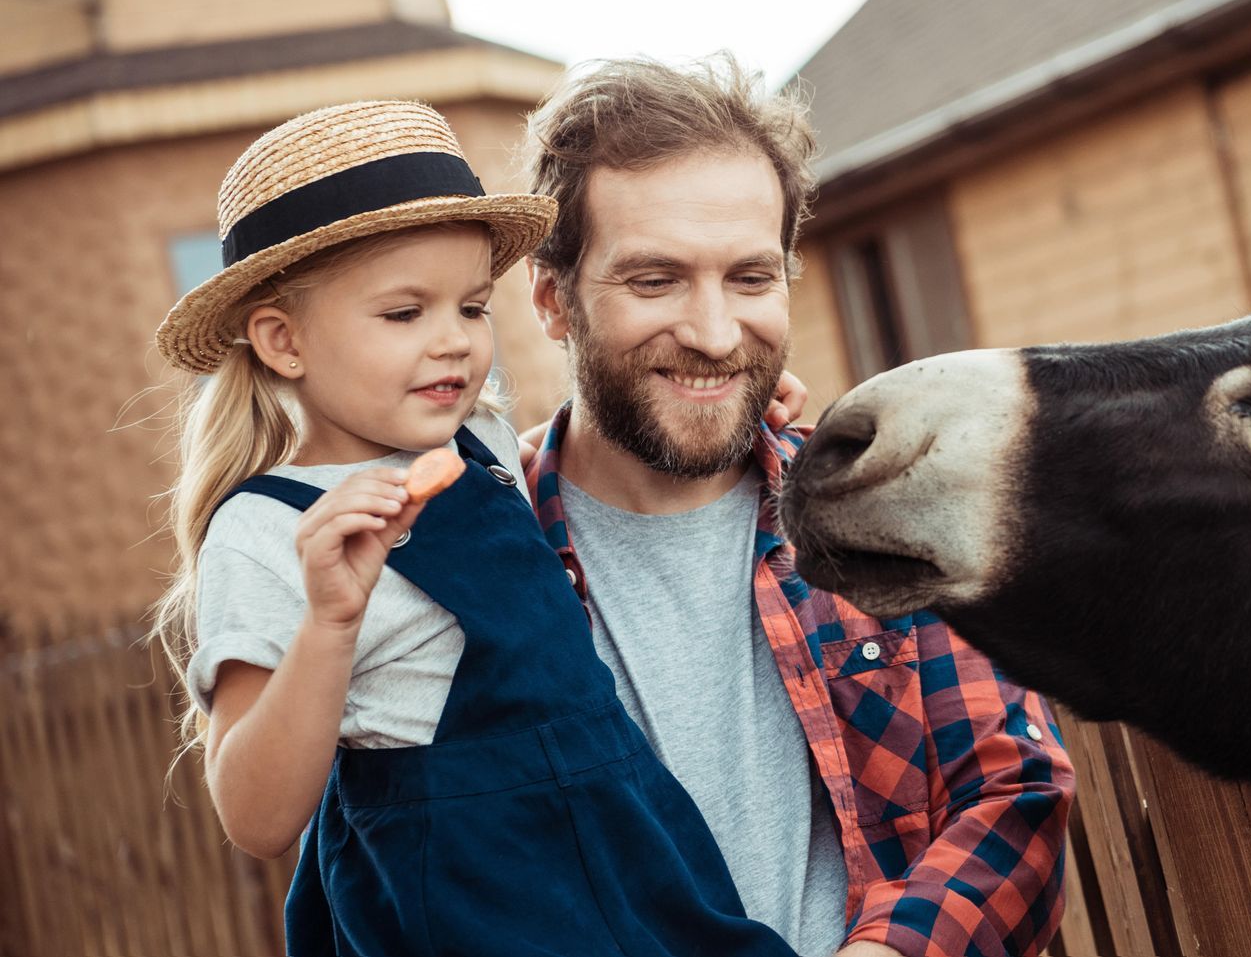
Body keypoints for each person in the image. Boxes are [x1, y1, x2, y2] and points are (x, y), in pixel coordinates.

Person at [150, 99, 802, 956]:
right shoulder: (269, 528)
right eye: (403, 313)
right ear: (282, 340)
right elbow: (256, 814)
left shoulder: (482, 444)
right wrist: (330, 624)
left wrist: (730, 396)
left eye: (470, 307)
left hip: (625, 833)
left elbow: (587, 454)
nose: (453, 342)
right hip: (472, 888)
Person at [518, 55, 1075, 957]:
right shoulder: (482, 565)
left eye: (749, 278)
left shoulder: (882, 513)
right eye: (654, 280)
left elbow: (1017, 788)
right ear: (554, 299)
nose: (712, 333)